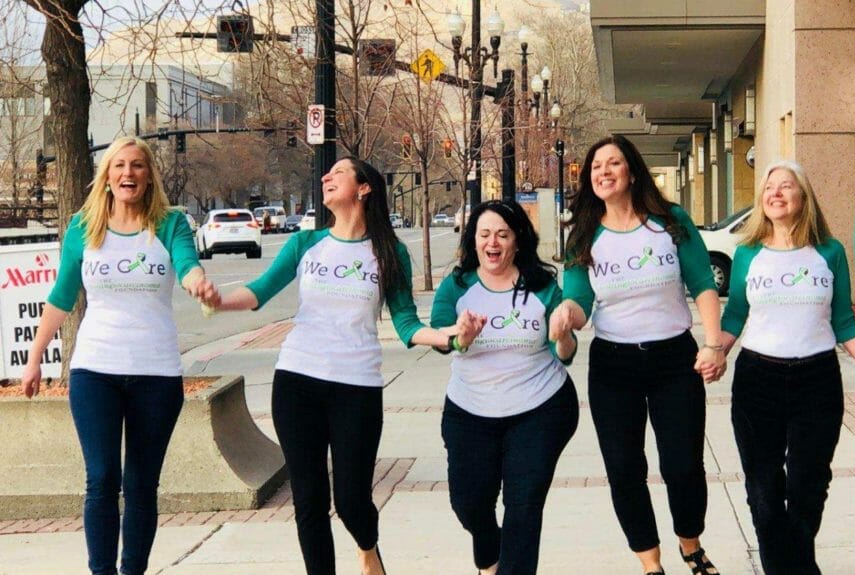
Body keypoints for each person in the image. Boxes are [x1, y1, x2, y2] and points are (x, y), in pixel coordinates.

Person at [211, 156, 460, 575]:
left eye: (339, 172)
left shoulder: (389, 252)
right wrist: (217, 300)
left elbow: (405, 322)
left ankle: (368, 548)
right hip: (296, 382)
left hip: (356, 387)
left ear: (364, 188)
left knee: (351, 500)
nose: (327, 177)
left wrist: (448, 337)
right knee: (308, 500)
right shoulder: (304, 245)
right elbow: (258, 292)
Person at [20, 136, 220, 575]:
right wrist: (36, 358)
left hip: (156, 373)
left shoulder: (170, 223)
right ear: (107, 176)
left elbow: (187, 264)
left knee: (142, 485)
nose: (128, 173)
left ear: (149, 175)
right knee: (102, 479)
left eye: (137, 166)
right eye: (119, 166)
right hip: (95, 370)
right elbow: (61, 297)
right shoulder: (83, 226)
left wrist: (197, 279)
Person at [549, 134, 726, 575]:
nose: (604, 172)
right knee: (625, 467)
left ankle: (690, 543)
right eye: (596, 167)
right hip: (614, 364)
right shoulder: (584, 236)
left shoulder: (669, 221)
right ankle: (651, 563)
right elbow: (578, 301)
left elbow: (703, 283)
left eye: (613, 163)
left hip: (674, 360)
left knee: (683, 464)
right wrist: (565, 315)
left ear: (631, 171)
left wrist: (712, 343)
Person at [718, 160, 855, 575]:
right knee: (764, 494)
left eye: (786, 186)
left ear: (803, 197)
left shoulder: (829, 252)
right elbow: (735, 314)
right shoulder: (747, 254)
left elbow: (843, 317)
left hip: (817, 380)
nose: (775, 193)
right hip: (758, 380)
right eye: (769, 187)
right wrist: (714, 349)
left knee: (808, 487)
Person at [430, 199, 579, 575]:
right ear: (473, 240)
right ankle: (489, 550)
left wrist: (562, 335)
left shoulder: (542, 286)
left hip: (540, 407)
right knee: (469, 504)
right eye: (484, 234)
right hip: (470, 411)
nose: (492, 242)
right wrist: (459, 336)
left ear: (517, 241)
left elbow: (565, 352)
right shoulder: (457, 286)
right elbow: (440, 337)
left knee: (524, 505)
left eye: (502, 234)